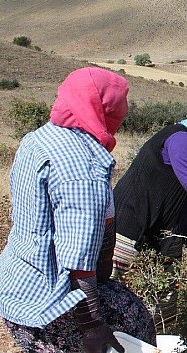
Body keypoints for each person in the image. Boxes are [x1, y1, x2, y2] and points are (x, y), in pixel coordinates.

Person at [0, 67, 156, 353]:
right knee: (137, 323)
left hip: (15, 287)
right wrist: (94, 325)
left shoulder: (37, 139)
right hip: (48, 305)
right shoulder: (85, 169)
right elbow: (79, 265)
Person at [110, 97, 187, 326]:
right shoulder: (180, 138)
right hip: (133, 224)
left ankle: (157, 339)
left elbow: (186, 189)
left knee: (163, 296)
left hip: (162, 233)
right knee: (116, 290)